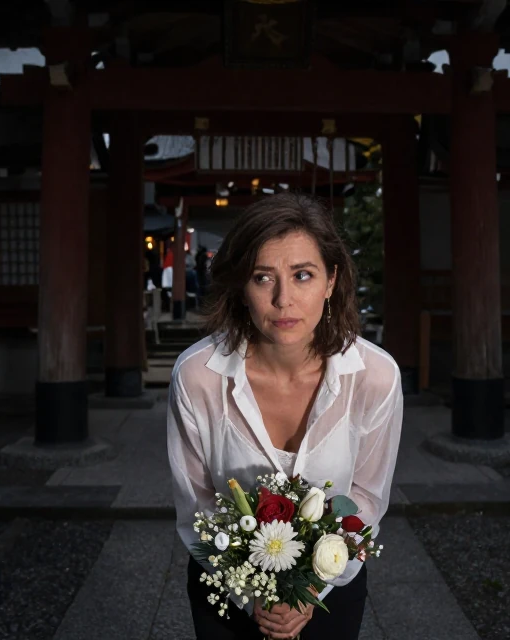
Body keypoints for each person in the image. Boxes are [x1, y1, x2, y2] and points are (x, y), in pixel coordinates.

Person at [166, 192, 403, 640]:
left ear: (331, 280)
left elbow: (367, 498)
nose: (283, 299)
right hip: (227, 587)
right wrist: (252, 592)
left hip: (331, 591)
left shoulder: (373, 376)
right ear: (241, 285)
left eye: (302, 275)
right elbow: (196, 504)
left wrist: (309, 588)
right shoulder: (198, 377)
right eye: (262, 277)